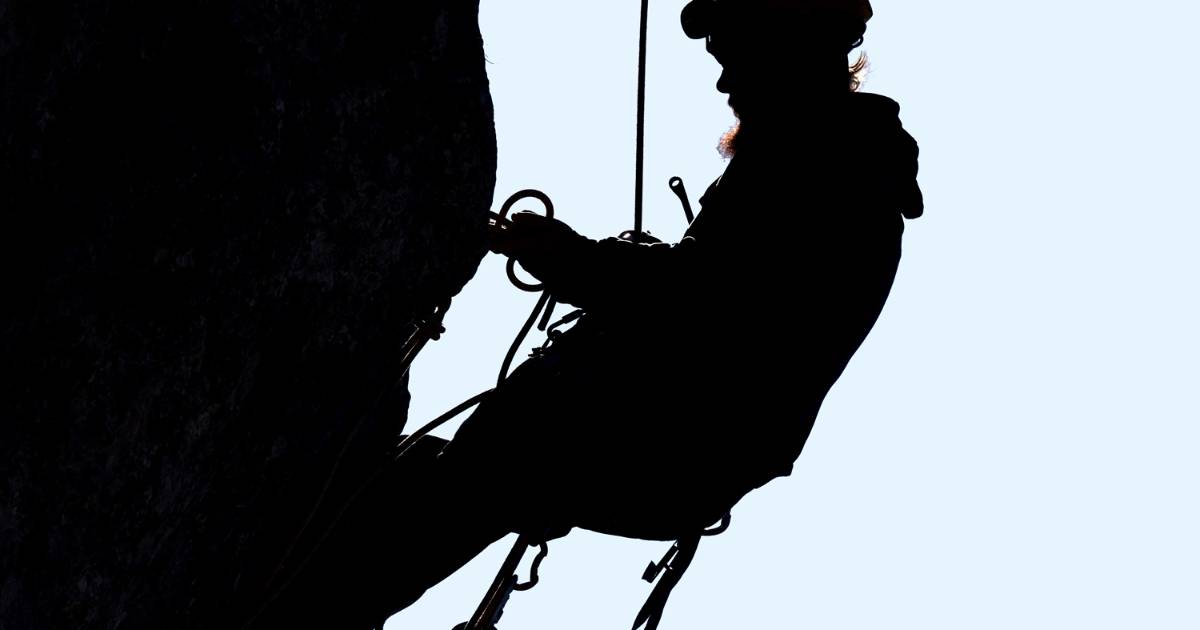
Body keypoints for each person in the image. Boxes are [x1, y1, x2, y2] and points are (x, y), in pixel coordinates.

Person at [253, 0, 922, 627]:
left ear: (787, 48)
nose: (724, 81)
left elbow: (705, 300)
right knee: (438, 485)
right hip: (676, 449)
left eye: (735, 55)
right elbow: (730, 295)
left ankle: (284, 605)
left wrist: (571, 259)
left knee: (448, 494)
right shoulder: (830, 160)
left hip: (662, 439)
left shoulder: (827, 165)